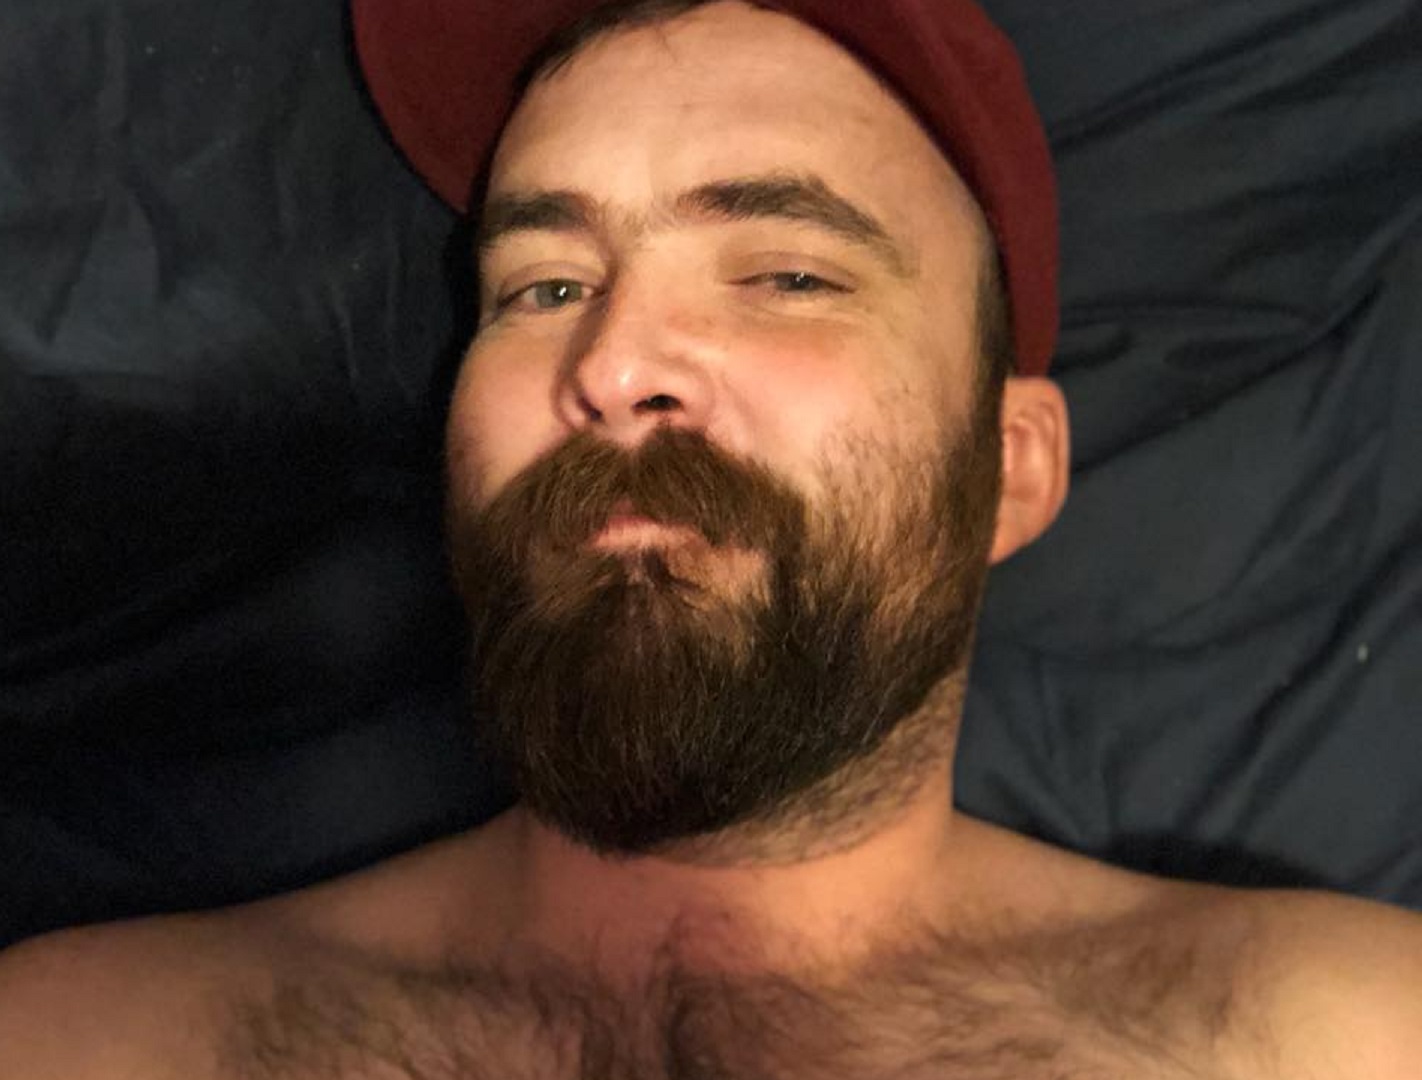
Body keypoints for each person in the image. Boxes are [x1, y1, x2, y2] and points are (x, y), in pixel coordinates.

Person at [2, 1, 1419, 1076]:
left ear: (1009, 468)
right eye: (545, 285)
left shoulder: (1345, 1034)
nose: (614, 365)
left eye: (788, 274)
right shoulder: (85, 1038)